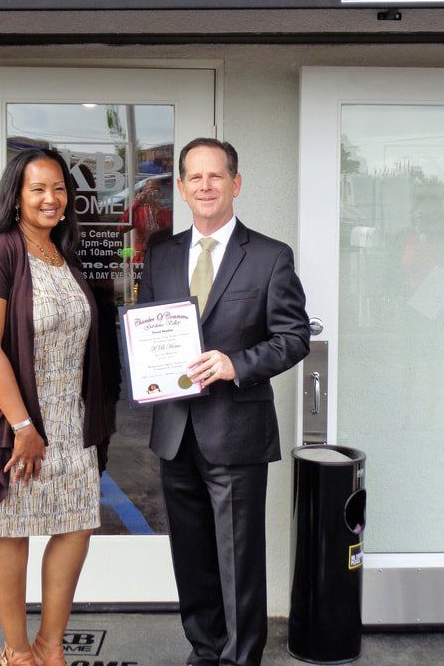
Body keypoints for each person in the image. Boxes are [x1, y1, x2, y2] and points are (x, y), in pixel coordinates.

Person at [139, 138, 310, 666]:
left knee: (238, 559)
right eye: (195, 177)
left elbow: (294, 337)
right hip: (175, 431)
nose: (205, 186)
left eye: (216, 176)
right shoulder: (161, 255)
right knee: (191, 556)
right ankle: (206, 650)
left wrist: (237, 365)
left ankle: (240, 659)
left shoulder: (270, 256)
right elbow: (145, 329)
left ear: (236, 184)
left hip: (236, 431)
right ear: (182, 188)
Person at [0, 149, 108, 666]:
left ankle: (49, 645)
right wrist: (23, 426)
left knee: (76, 524)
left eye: (58, 188)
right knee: (11, 529)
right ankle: (17, 652)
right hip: (15, 418)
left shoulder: (63, 254)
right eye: (38, 188)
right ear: (16, 196)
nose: (50, 198)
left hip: (69, 419)